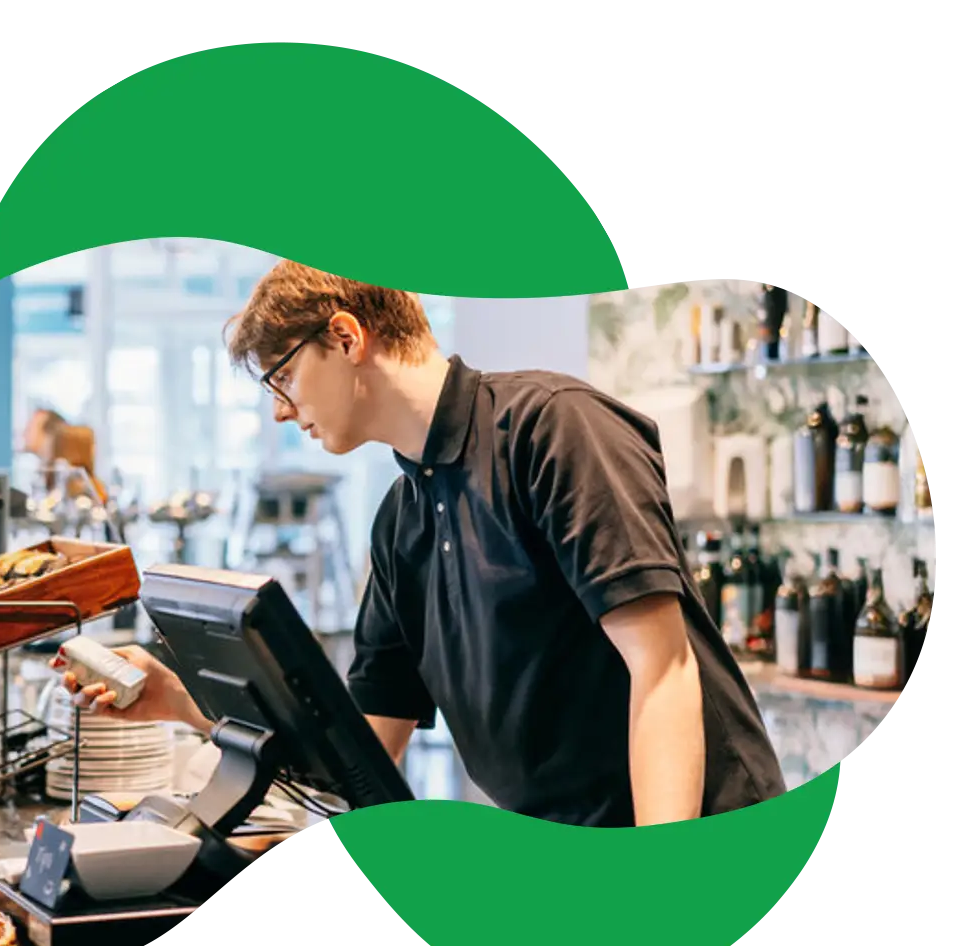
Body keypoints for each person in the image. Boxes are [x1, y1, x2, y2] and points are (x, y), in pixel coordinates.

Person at [56, 263, 787, 827]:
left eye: (283, 376)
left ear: (345, 337)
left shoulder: (553, 429)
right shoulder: (401, 518)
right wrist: (185, 701)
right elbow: (363, 755)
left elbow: (662, 666)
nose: (281, 411)